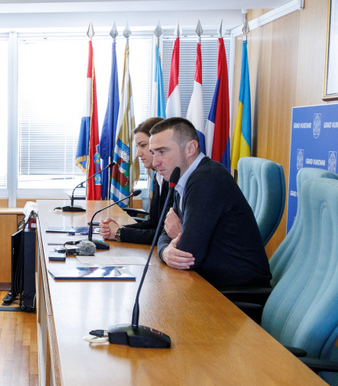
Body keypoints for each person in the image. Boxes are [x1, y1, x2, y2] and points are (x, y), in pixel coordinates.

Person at [151, 117, 271, 289]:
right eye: (153, 153)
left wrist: (177, 236)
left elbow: (188, 256)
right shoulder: (183, 177)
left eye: (162, 152)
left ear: (190, 149)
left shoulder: (207, 179)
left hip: (238, 293)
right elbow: (164, 232)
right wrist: (165, 251)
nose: (155, 162)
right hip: (212, 283)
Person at [98, 117, 165, 244]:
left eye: (143, 145)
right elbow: (154, 223)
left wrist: (120, 233)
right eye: (137, 147)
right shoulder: (158, 177)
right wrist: (120, 228)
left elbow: (163, 234)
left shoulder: (172, 179)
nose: (138, 154)